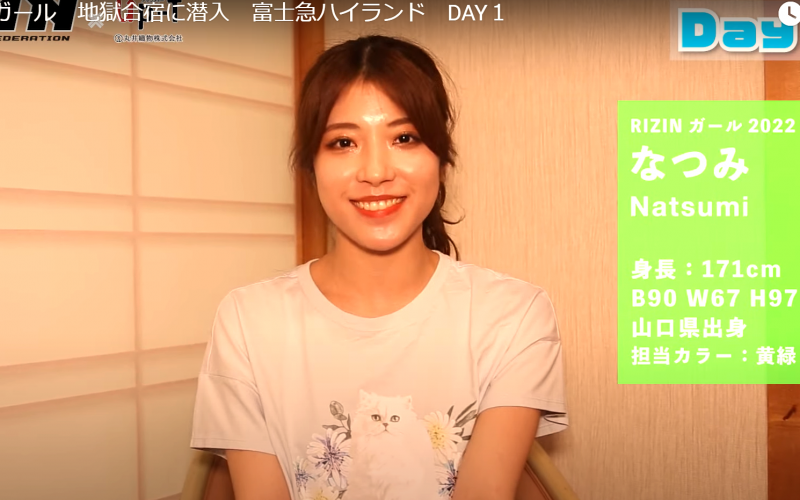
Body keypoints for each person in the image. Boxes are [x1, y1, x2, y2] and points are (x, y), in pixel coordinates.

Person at [189, 35, 568, 500]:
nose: (375, 171)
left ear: (441, 159)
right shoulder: (248, 321)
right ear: (311, 166)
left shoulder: (514, 315)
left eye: (404, 138)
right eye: (343, 142)